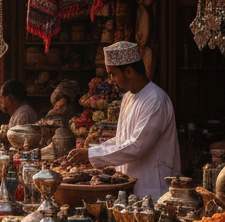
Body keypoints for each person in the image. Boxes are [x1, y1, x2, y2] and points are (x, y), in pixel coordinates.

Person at [65, 41, 181, 200]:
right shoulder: (128, 97)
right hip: (130, 186)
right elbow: (121, 141)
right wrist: (90, 151)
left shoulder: (155, 100)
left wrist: (91, 154)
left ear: (129, 71)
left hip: (154, 189)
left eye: (113, 73)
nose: (111, 80)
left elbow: (137, 145)